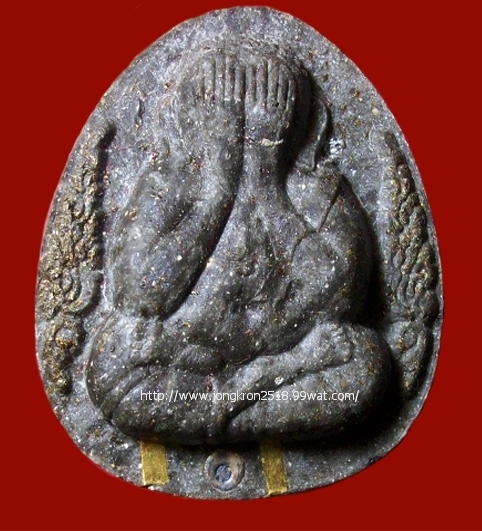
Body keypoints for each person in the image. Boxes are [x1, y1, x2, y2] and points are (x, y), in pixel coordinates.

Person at [86, 46, 391, 444]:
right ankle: (248, 401)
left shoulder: (315, 187)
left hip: (286, 353)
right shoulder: (169, 182)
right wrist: (219, 188)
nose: (244, 121)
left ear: (296, 121)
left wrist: (264, 183)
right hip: (184, 358)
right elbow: (140, 294)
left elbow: (337, 296)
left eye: (266, 102)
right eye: (220, 105)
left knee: (366, 363)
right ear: (188, 116)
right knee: (109, 364)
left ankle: (220, 410)